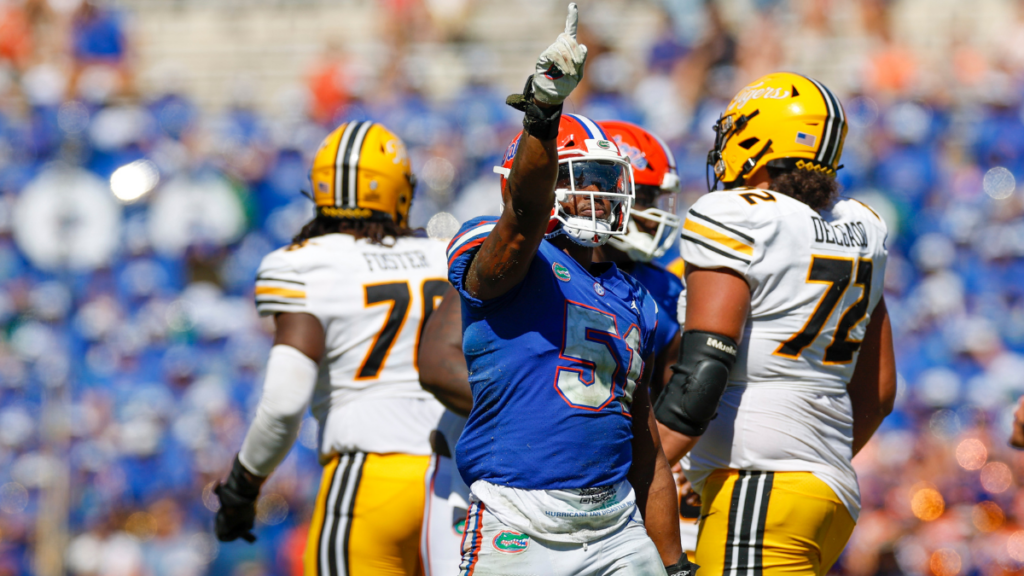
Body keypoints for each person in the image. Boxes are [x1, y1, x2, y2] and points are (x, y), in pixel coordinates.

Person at [443, 5, 690, 575]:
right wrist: (543, 113)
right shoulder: (509, 255)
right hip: (519, 517)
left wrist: (674, 563)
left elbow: (646, 447)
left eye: (609, 184)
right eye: (584, 182)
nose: (600, 198)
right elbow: (525, 215)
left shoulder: (635, 294)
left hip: (615, 523)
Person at [653, 72, 897, 576]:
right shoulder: (862, 227)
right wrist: (808, 458)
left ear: (759, 139)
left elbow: (703, 372)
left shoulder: (736, 216)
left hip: (759, 484)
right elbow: (880, 390)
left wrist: (641, 470)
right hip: (823, 489)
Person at [212, 120, 449, 576]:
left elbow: (283, 404)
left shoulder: (306, 262)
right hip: (459, 483)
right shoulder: (446, 253)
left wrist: (243, 486)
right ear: (401, 191)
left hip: (370, 479)